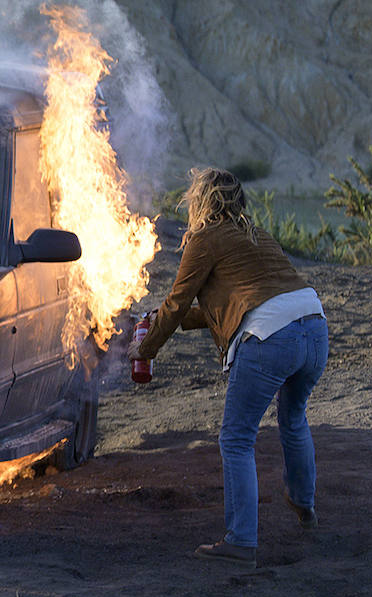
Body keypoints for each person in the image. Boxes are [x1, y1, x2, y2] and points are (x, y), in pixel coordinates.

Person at [129, 167, 327, 567]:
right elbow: (247, 301)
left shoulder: (204, 239)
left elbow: (177, 302)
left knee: (236, 439)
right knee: (293, 418)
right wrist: (185, 322)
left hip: (270, 339)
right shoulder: (258, 235)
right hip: (314, 326)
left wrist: (145, 349)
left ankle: (240, 541)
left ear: (201, 201)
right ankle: (304, 503)